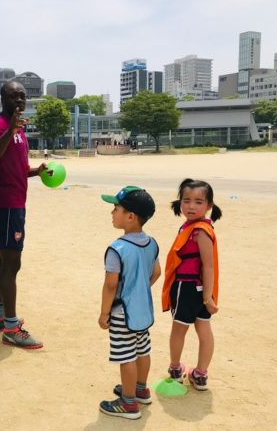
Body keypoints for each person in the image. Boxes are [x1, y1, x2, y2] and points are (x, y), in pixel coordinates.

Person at [0, 81, 47, 349]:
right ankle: (11, 327)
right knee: (12, 264)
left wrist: (37, 171)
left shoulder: (20, 130)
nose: (19, 99)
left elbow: (17, 168)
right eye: (13, 96)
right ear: (3, 98)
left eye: (22, 96)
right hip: (5, 204)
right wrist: (11, 129)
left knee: (3, 259)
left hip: (14, 203)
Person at [98, 186, 161, 420]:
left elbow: (110, 285)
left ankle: (128, 403)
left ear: (131, 217)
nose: (112, 213)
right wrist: (139, 291)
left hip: (122, 313)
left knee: (126, 357)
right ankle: (141, 388)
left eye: (116, 209)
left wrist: (104, 313)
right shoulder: (152, 243)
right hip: (143, 311)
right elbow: (156, 272)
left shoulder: (117, 249)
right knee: (143, 350)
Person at [161, 178, 222, 391]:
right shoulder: (194, 227)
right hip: (197, 289)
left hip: (187, 288)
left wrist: (208, 297)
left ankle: (176, 369)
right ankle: (200, 374)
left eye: (198, 202)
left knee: (179, 330)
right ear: (180, 203)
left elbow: (208, 266)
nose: (191, 206)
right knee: (203, 329)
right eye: (186, 200)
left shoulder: (199, 231)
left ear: (209, 206)